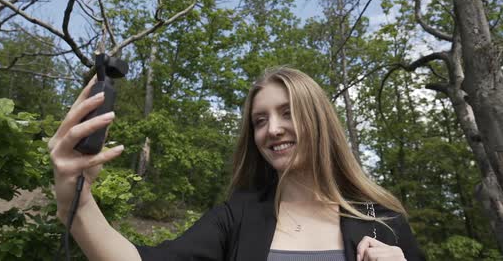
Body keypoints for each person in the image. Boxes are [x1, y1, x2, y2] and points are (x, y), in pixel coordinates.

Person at [49, 67, 425, 261]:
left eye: (287, 113)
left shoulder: (383, 221)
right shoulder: (238, 218)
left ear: (320, 121)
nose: (272, 129)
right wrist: (77, 202)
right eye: (259, 121)